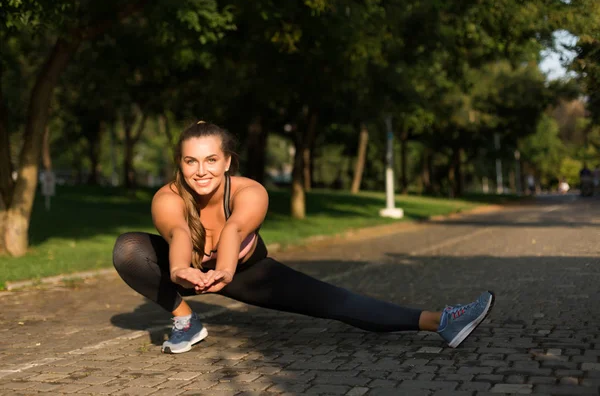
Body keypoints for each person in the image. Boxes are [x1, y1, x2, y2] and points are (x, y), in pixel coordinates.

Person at [113, 121, 495, 354]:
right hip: (192, 274)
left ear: (227, 161)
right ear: (180, 163)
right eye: (190, 161)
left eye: (210, 160)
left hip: (247, 273)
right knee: (128, 248)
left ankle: (442, 321)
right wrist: (180, 270)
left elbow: (233, 229)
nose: (200, 171)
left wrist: (225, 271)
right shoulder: (167, 196)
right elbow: (179, 231)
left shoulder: (250, 191)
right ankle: (186, 321)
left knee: (340, 303)